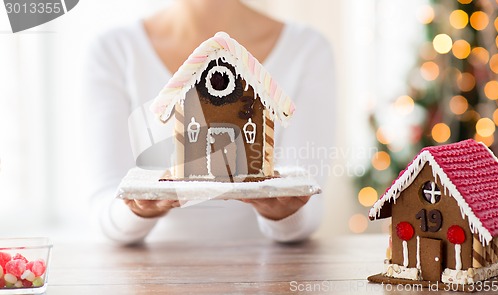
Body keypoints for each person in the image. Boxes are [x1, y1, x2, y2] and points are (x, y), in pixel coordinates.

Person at [83, 0, 335, 245]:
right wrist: (140, 208)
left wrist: (284, 213)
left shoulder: (307, 48)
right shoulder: (114, 50)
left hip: (268, 275)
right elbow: (104, 209)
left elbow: (309, 202)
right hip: (149, 278)